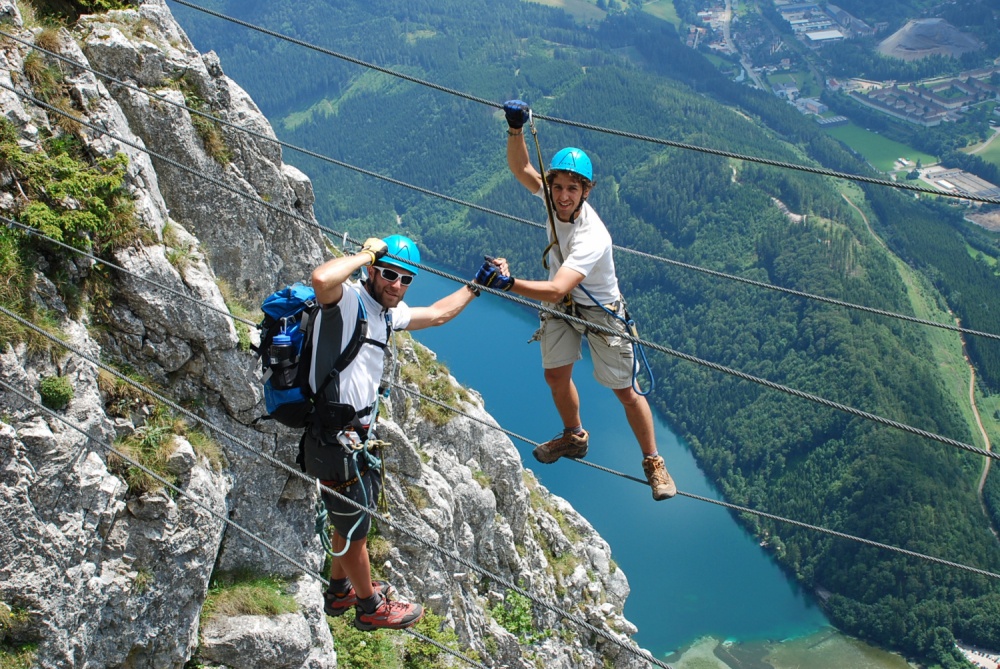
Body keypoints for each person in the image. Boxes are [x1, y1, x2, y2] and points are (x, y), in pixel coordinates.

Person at [474, 99, 676, 501]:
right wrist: (516, 128)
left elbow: (555, 289)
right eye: (558, 186)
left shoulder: (592, 237)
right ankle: (574, 436)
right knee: (555, 375)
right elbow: (521, 170)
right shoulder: (551, 198)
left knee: (625, 392)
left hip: (598, 310)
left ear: (586, 191)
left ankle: (654, 462)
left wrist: (508, 283)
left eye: (573, 188)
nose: (563, 196)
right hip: (565, 306)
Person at [305, 234, 479, 630]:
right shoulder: (348, 302)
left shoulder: (384, 314)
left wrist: (476, 285)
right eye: (388, 274)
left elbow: (436, 314)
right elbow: (321, 279)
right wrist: (368, 252)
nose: (396, 285)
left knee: (346, 518)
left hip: (353, 435)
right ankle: (370, 607)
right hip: (336, 437)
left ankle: (339, 590)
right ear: (372, 271)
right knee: (355, 528)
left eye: (405, 279)